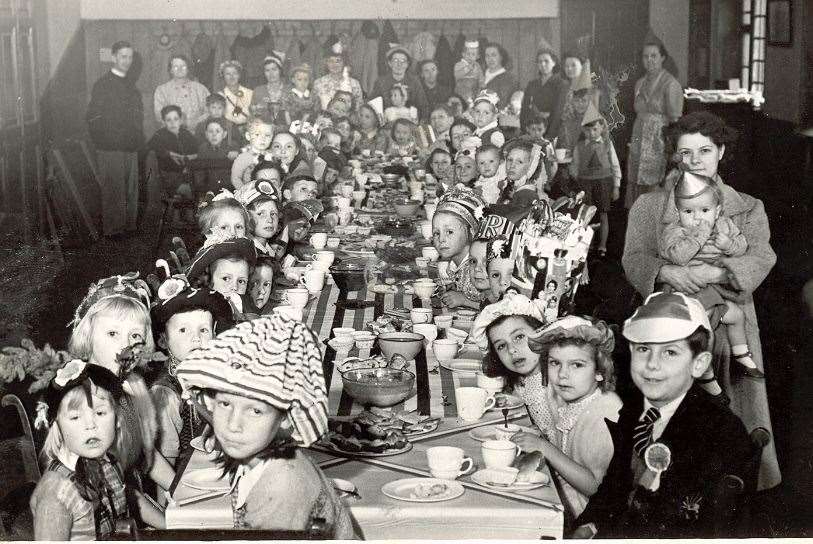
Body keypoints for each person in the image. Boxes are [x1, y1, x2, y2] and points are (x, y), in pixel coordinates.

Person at [622, 111, 780, 489]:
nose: (695, 161)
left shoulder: (747, 207)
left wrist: (717, 273)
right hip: (669, 323)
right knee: (667, 409)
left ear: (721, 151)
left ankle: (728, 491)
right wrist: (666, 272)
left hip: (727, 321)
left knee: (729, 416)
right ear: (675, 156)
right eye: (685, 152)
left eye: (705, 151)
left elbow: (761, 257)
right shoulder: (650, 205)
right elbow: (634, 257)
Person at [571, 291, 751, 538]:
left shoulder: (720, 430)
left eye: (670, 352)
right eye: (644, 349)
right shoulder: (634, 410)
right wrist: (590, 524)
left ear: (698, 364)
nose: (652, 364)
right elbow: (615, 485)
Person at [175, 314, 356, 536]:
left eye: (255, 411)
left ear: (285, 417)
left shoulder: (278, 487)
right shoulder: (260, 456)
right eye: (225, 403)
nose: (233, 424)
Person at [67, 274, 177, 492]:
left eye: (135, 336)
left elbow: (147, 457)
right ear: (87, 336)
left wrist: (181, 490)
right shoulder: (83, 399)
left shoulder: (127, 387)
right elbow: (117, 493)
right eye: (112, 333)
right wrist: (165, 521)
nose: (125, 346)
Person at [31, 361, 163, 539]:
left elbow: (127, 497)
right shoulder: (57, 496)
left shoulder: (107, 462)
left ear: (117, 419)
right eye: (75, 417)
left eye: (100, 413)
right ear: (57, 426)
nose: (90, 425)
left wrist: (172, 526)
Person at [658, 168, 763, 379]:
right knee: (703, 329)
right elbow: (678, 257)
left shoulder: (724, 225)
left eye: (705, 210)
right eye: (688, 212)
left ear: (717, 211)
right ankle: (706, 373)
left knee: (736, 316)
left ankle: (741, 354)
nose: (698, 218)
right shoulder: (676, 231)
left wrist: (729, 244)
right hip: (688, 290)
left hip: (715, 288)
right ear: (678, 213)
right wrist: (698, 237)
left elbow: (742, 246)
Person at [150, 274, 233, 466]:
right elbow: (165, 460)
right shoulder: (166, 394)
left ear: (214, 334)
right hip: (187, 476)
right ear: (163, 340)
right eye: (183, 330)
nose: (196, 338)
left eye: (203, 330)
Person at [86, 41, 143, 236]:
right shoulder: (103, 84)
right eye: (123, 57)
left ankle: (129, 227)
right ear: (114, 57)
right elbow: (93, 117)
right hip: (110, 148)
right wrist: (105, 142)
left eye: (130, 57)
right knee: (113, 190)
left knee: (130, 190)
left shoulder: (130, 86)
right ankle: (114, 231)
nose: (127, 61)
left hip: (130, 146)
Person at [626, 31, 684, 209]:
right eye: (645, 57)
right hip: (638, 139)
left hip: (659, 141)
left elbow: (675, 123)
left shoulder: (671, 84)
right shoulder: (639, 83)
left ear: (662, 58)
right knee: (636, 183)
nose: (649, 60)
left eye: (654, 56)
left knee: (655, 186)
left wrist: (672, 151)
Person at [569, 103, 622, 257]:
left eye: (595, 129)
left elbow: (615, 165)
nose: (592, 133)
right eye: (588, 130)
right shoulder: (579, 146)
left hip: (603, 183)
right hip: (585, 183)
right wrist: (572, 175)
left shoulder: (607, 144)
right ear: (583, 130)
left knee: (604, 214)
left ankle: (602, 245)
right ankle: (587, 243)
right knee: (585, 214)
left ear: (602, 128)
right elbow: (575, 165)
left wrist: (616, 186)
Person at [432, 187, 486, 307]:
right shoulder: (456, 262)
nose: (441, 239)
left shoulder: (480, 266)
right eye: (436, 233)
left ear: (471, 232)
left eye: (449, 232)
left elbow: (500, 307)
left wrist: (465, 301)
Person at [187, 235, 257, 317]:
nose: (234, 287)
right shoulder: (200, 315)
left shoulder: (249, 313)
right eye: (226, 278)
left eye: (241, 281)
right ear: (208, 280)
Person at [489, 138, 555, 225]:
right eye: (510, 160)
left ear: (531, 167)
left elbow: (508, 225)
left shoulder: (526, 195)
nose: (512, 165)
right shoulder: (516, 190)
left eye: (519, 162)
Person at [147, 105, 199, 207]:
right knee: (193, 191)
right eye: (168, 120)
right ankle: (191, 215)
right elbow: (151, 147)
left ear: (180, 120)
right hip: (170, 178)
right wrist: (169, 153)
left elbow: (198, 150)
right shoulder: (159, 135)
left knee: (201, 186)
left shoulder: (186, 134)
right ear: (163, 121)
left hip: (188, 175)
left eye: (176, 119)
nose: (172, 123)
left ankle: (189, 216)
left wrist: (191, 157)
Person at [153, 54, 210, 133]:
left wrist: (195, 122)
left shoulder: (200, 88)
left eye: (183, 66)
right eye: (175, 67)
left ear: (188, 69)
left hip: (198, 134)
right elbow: (159, 115)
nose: (179, 69)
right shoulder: (162, 90)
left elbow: (209, 110)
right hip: (172, 135)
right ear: (171, 70)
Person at [371, 44, 428, 120]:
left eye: (403, 61)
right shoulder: (381, 82)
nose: (399, 64)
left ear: (407, 64)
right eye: (395, 60)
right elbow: (374, 105)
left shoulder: (414, 81)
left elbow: (423, 106)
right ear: (389, 63)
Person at [520, 48, 568, 138]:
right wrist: (525, 131)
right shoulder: (532, 84)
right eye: (540, 61)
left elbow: (558, 112)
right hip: (532, 130)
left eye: (546, 61)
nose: (543, 64)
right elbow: (524, 110)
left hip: (551, 130)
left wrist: (549, 135)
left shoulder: (561, 84)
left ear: (554, 63)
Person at [312, 38, 363, 112]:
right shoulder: (318, 83)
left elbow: (358, 111)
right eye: (330, 61)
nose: (334, 65)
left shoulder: (354, 84)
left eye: (338, 61)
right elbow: (314, 110)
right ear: (326, 63)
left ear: (344, 62)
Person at [235, 177, 281, 258]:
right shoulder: (247, 253)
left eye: (273, 213)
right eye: (260, 214)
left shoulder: (267, 250)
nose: (270, 220)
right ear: (246, 217)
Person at [195, 118, 240, 196]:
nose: (214, 135)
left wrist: (237, 155)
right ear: (206, 134)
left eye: (218, 131)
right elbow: (200, 173)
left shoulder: (232, 147)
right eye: (210, 131)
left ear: (224, 134)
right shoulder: (203, 149)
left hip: (229, 186)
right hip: (209, 187)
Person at [230, 117, 274, 189]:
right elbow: (235, 178)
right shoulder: (243, 157)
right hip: (249, 194)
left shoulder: (272, 156)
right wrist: (245, 193)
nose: (263, 139)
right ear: (248, 136)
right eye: (257, 134)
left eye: (267, 135)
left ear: (272, 137)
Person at [250, 52, 289, 127]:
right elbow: (253, 116)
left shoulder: (289, 90)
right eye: (267, 70)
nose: (271, 74)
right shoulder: (258, 91)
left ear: (280, 70)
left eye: (274, 69)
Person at [482, 42, 519, 107]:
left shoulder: (510, 79)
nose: (490, 59)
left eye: (494, 55)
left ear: (501, 57)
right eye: (487, 56)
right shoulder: (480, 74)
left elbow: (504, 104)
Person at [219, 60, 252, 128]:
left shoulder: (250, 93)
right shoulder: (219, 96)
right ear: (223, 76)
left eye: (235, 73)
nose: (232, 77)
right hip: (229, 132)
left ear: (239, 75)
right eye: (228, 74)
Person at [454, 40, 484, 105]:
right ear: (463, 54)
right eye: (468, 54)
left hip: (474, 90)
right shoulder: (459, 64)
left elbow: (480, 76)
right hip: (461, 90)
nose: (470, 56)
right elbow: (457, 75)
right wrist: (467, 69)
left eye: (473, 54)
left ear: (477, 56)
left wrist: (482, 84)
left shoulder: (477, 66)